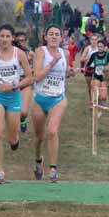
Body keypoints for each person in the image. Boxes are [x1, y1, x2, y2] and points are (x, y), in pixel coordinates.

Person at [0, 25, 32, 183]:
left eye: (7, 36)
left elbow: (29, 78)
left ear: (12, 38)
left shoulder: (19, 54)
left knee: (12, 138)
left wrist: (13, 86)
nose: (4, 39)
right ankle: (0, 171)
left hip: (13, 96)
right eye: (2, 36)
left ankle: (15, 140)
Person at [31, 24, 75, 183]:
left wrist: (70, 72)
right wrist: (52, 63)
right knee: (39, 136)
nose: (54, 36)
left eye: (57, 34)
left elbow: (65, 72)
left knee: (52, 131)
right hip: (40, 98)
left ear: (61, 38)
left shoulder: (65, 53)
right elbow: (36, 77)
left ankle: (53, 168)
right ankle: (38, 161)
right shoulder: (40, 52)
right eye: (51, 34)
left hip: (58, 98)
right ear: (46, 37)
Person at [14, 31, 34, 133]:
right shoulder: (10, 54)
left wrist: (33, 70)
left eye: (23, 40)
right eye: (19, 41)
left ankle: (22, 120)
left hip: (25, 83)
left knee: (24, 112)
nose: (21, 42)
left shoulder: (30, 54)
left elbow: (37, 67)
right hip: (12, 84)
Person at [76, 32, 102, 108]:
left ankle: (97, 101)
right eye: (92, 40)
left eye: (95, 40)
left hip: (97, 69)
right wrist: (89, 57)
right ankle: (91, 101)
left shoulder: (100, 48)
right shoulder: (88, 48)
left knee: (95, 86)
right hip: (88, 69)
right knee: (89, 87)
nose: (94, 41)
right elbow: (81, 59)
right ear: (90, 40)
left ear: (97, 40)